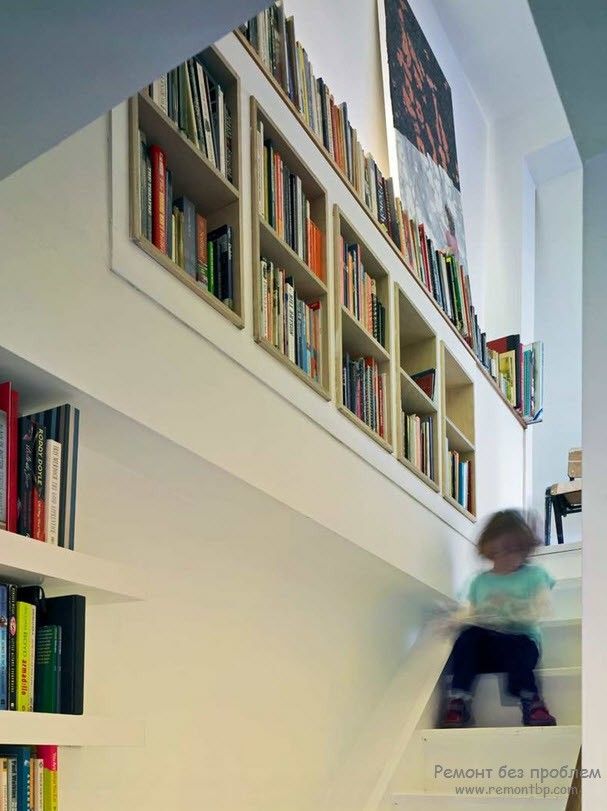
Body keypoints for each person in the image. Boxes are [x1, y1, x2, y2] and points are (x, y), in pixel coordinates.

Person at [440, 509, 557, 728]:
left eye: (512, 550)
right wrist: (456, 621)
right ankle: (459, 699)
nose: (504, 557)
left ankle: (531, 699)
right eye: (498, 551)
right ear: (489, 550)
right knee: (467, 638)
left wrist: (507, 615)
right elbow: (471, 613)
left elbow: (541, 610)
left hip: (519, 644)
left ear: (524, 549)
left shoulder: (534, 575)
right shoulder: (480, 581)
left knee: (518, 644)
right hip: (487, 651)